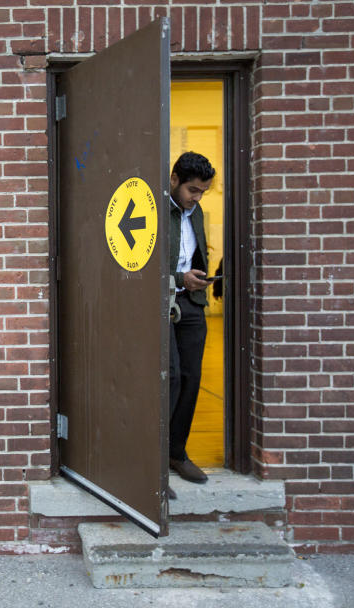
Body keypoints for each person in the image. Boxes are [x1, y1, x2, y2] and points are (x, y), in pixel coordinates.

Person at [167, 151, 217, 489]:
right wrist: (179, 278)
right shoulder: (153, 210)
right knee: (167, 378)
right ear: (174, 181)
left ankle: (176, 452)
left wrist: (199, 280)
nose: (196, 198)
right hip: (162, 301)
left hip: (191, 304)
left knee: (190, 378)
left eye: (202, 192)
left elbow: (196, 253)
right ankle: (150, 461)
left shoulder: (195, 212)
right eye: (192, 191)